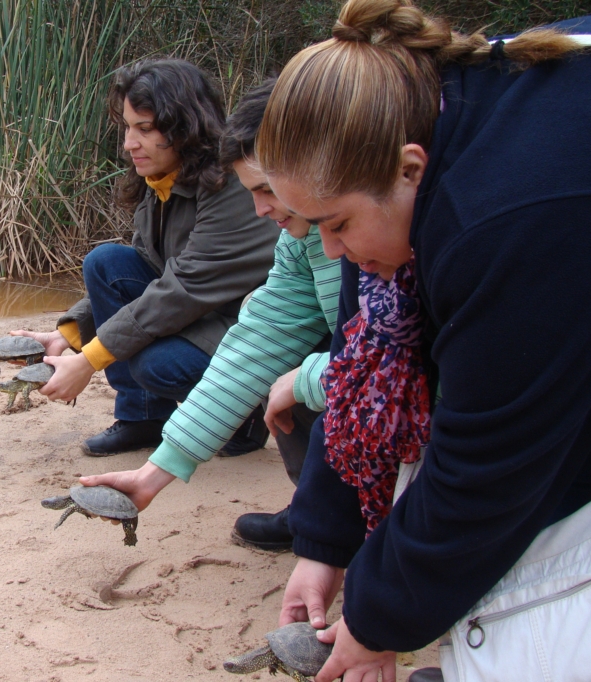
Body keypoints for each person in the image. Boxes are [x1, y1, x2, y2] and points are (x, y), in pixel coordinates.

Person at [250, 1, 591, 680]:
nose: (331, 248)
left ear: (409, 170)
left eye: (337, 224)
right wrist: (325, 543)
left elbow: (488, 468)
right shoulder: (406, 126)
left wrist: (377, 619)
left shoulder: (510, 215)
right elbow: (360, 368)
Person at [80, 81, 343, 550]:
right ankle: (318, 509)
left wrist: (307, 378)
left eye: (266, 190)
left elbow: (407, 364)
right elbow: (259, 341)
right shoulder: (299, 238)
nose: (261, 210)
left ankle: (345, 517)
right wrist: (156, 470)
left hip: (416, 405)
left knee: (293, 373)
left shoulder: (405, 232)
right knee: (277, 364)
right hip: (325, 363)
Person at [13, 60, 280, 457]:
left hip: (248, 329)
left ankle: (243, 416)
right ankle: (142, 420)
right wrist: (68, 335)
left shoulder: (232, 186)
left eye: (146, 129)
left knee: (157, 364)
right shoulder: (162, 181)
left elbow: (181, 290)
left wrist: (89, 360)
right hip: (202, 314)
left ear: (185, 127)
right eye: (127, 127)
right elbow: (148, 268)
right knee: (106, 263)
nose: (129, 143)